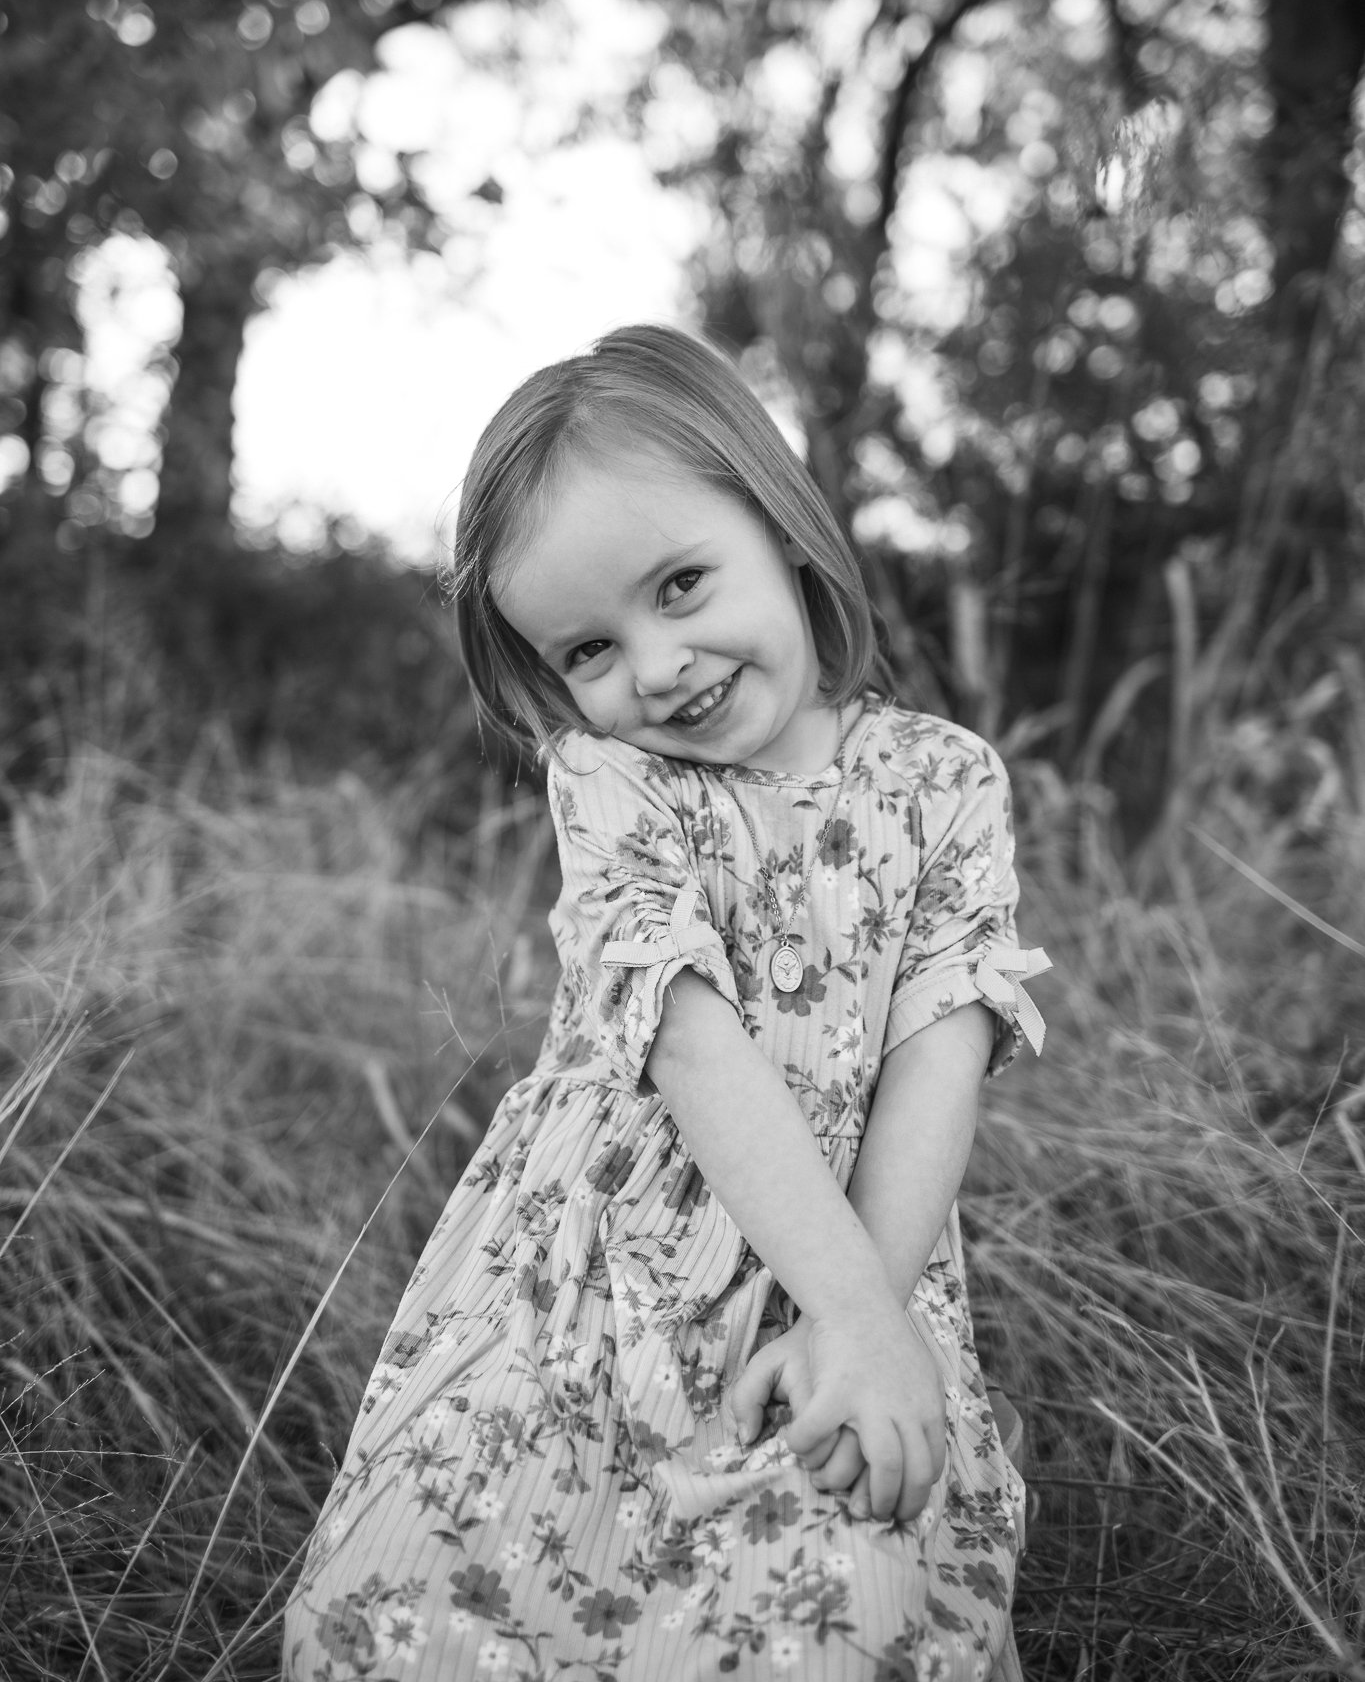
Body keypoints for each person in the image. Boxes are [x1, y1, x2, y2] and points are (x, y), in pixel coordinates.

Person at [282, 324, 1050, 1682]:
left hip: (855, 1250)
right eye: (589, 648)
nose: (654, 667)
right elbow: (687, 1044)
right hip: (589, 1273)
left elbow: (940, 1056)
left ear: (784, 526)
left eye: (681, 584)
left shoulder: (943, 780)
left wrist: (860, 1320)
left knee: (824, 1592)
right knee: (431, 1590)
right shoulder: (615, 779)